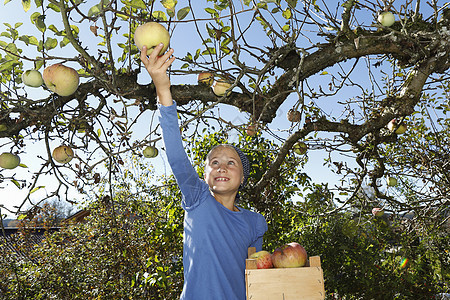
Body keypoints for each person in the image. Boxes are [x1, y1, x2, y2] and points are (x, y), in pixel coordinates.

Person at [140, 43, 268, 299]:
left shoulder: (255, 223)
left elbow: (257, 278)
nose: (222, 166)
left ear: (242, 178)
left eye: (231, 162)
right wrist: (162, 87)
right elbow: (176, 155)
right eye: (214, 162)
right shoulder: (197, 198)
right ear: (205, 175)